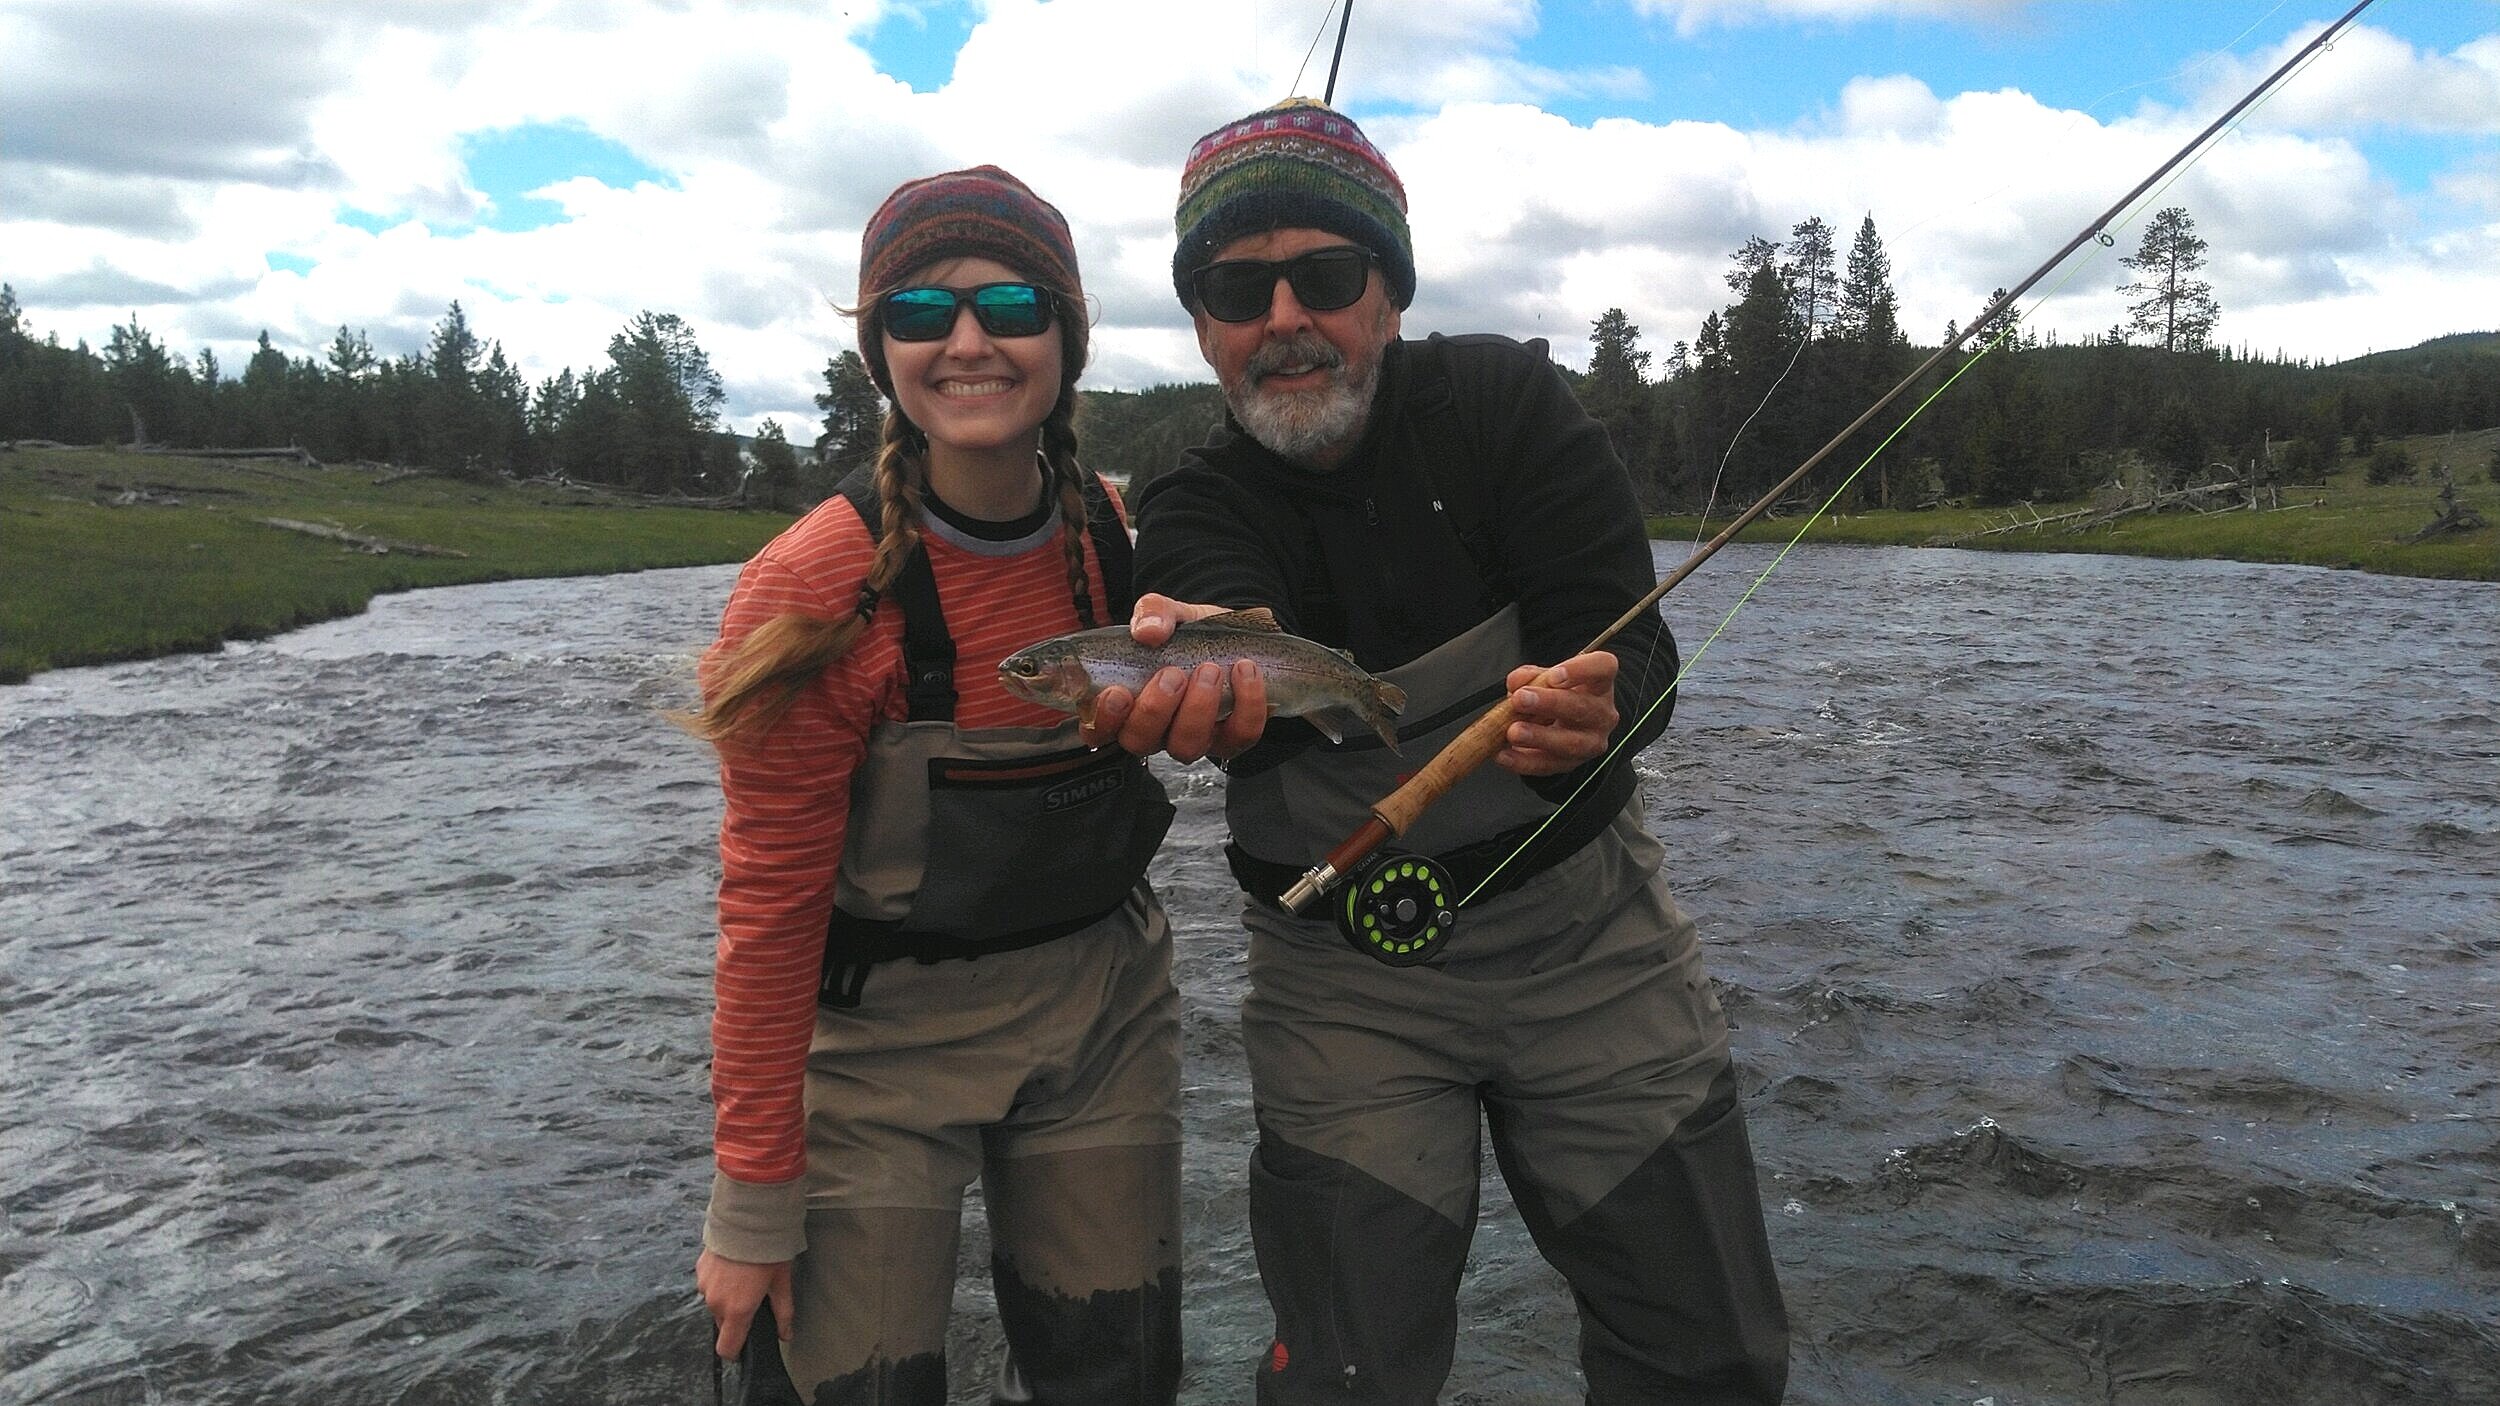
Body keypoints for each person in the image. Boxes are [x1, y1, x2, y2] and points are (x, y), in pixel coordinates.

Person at [1089, 99, 1790, 1404]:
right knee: (1342, 1381)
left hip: (1594, 946)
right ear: (1201, 329)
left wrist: (1602, 713)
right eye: (1240, 288)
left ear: (1390, 295)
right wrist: (1198, 645)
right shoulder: (1190, 502)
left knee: (1714, 1360)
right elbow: (1204, 599)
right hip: (1338, 977)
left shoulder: (1506, 406)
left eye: (1328, 275)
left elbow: (1636, 658)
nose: (1284, 315)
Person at [686, 166, 1183, 1406]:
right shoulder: (814, 587)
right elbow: (767, 907)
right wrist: (751, 1195)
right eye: (919, 313)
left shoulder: (1119, 542)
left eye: (1013, 303)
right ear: (880, 354)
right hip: (873, 1051)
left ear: (1066, 337)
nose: (968, 341)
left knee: (1115, 1375)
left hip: (1104, 1016)